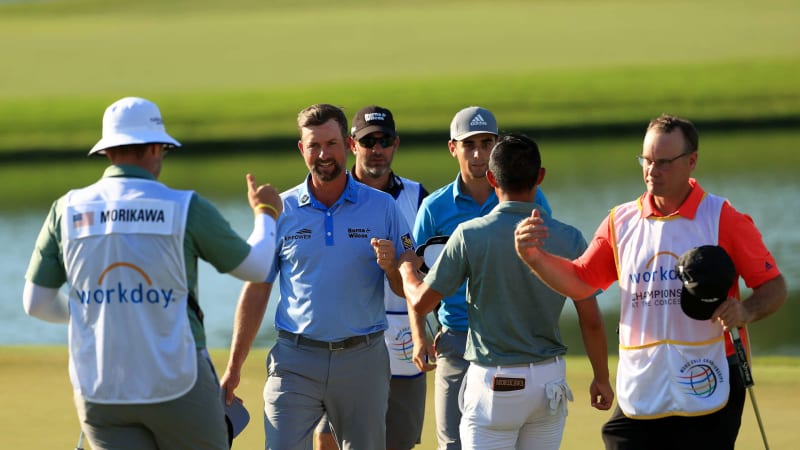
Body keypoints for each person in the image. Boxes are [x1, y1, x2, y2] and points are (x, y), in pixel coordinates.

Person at [22, 96, 283, 450]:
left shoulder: (66, 209)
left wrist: (100, 311)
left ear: (108, 151)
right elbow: (256, 266)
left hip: (100, 389)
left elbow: (36, 303)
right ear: (156, 148)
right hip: (177, 382)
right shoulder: (184, 206)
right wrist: (265, 212)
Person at [514, 114, 787, 450]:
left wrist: (745, 311)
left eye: (663, 162)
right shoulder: (621, 221)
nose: (651, 170)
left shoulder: (723, 218)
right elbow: (581, 282)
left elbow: (773, 287)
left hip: (709, 376)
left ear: (691, 161)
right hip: (645, 379)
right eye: (646, 160)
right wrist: (535, 258)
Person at [399, 133, 613, 449]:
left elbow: (420, 303)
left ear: (491, 178)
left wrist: (406, 269)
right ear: (540, 176)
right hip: (548, 384)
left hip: (492, 386)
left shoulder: (470, 235)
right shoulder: (569, 238)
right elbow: (591, 321)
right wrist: (602, 378)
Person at [220, 103, 414, 450]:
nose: (323, 154)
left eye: (331, 144)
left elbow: (407, 287)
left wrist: (389, 267)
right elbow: (257, 288)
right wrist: (234, 367)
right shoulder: (281, 209)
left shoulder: (383, 207)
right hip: (294, 360)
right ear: (302, 149)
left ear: (348, 146)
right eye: (314, 145)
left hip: (362, 360)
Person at [412, 106, 552, 450]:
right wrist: (420, 337)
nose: (478, 154)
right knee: (453, 444)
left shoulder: (528, 197)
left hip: (511, 339)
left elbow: (547, 266)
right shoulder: (434, 207)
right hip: (456, 339)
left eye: (486, 143)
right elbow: (419, 277)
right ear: (453, 148)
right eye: (469, 144)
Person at [314, 105, 433, 450]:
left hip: (403, 335)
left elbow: (428, 270)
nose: (376, 150)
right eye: (368, 142)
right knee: (328, 439)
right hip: (343, 336)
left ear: (396, 144)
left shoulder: (417, 197)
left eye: (383, 141)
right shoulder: (330, 193)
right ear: (353, 145)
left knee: (398, 440)